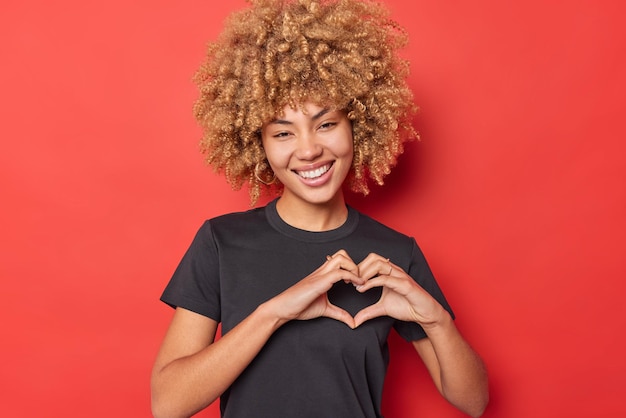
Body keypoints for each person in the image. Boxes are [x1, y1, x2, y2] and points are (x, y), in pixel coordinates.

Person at [151, 0, 489, 417]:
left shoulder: (396, 256)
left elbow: (473, 402)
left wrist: (437, 321)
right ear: (259, 144)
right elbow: (167, 404)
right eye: (283, 132)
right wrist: (275, 312)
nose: (309, 150)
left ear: (358, 125)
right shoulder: (222, 243)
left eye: (326, 124)